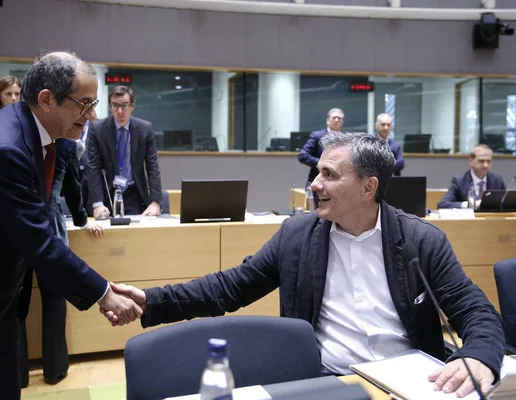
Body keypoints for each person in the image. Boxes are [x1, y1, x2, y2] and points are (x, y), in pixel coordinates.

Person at [111, 131, 505, 398]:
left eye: (329, 175)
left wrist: (479, 356)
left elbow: (476, 311)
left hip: (408, 385)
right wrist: (150, 300)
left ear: (368, 188)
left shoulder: (421, 241)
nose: (314, 184)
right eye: (317, 171)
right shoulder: (297, 236)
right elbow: (228, 288)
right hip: (327, 383)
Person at [0, 51, 141, 400]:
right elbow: (38, 240)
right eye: (83, 103)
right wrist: (103, 293)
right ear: (47, 100)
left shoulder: (32, 133)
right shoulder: (4, 147)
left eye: (93, 102)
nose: (90, 114)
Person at [19, 127, 105, 387]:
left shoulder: (22, 138)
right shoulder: (66, 145)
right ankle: (54, 370)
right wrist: (81, 219)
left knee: (17, 304)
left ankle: (19, 373)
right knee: (55, 299)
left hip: (20, 224)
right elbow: (73, 189)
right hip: (51, 226)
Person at [87, 85, 162, 217]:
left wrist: (155, 201)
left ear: (132, 106)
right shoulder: (97, 129)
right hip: (106, 195)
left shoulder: (145, 129)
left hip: (133, 193)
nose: (120, 111)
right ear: (110, 107)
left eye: (125, 105)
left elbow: (152, 167)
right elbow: (93, 167)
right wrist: (97, 203)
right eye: (115, 106)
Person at [437, 144, 505, 209]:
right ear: (471, 160)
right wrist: (470, 204)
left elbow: (505, 203)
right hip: (468, 219)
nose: (486, 165)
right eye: (481, 161)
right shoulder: (459, 181)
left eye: (488, 161)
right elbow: (443, 204)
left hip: (490, 219)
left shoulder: (497, 180)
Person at [298, 108, 344, 204]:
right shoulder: (317, 136)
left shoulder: (345, 139)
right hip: (319, 181)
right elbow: (303, 155)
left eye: (339, 118)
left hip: (337, 184)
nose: (337, 120)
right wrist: (321, 164)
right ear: (328, 120)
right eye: (334, 118)